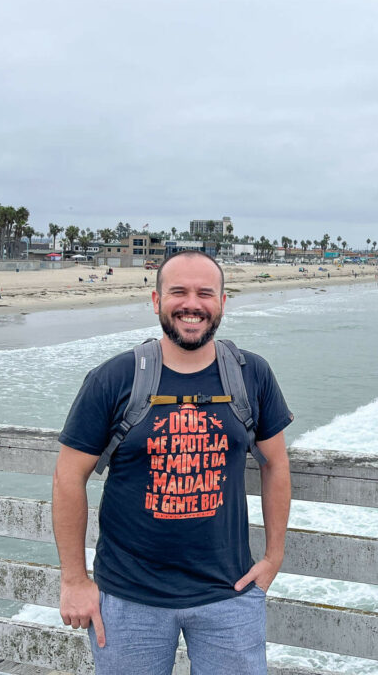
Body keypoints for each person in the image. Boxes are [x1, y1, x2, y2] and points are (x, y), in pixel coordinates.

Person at [53, 250, 292, 675]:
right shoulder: (114, 379)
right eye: (178, 292)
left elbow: (276, 464)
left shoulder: (251, 374)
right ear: (156, 300)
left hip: (230, 595)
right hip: (128, 600)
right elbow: (68, 478)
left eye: (205, 293)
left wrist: (274, 557)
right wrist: (74, 579)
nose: (192, 304)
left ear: (222, 301)